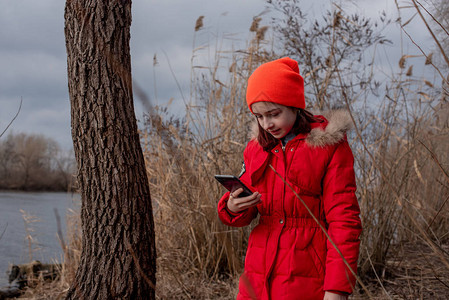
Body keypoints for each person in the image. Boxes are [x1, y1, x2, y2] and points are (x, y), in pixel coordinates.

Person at [217, 57, 362, 300]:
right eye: (259, 117)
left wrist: (336, 289)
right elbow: (248, 204)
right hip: (257, 274)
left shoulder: (328, 146)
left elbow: (344, 219)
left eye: (274, 114)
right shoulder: (257, 148)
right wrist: (233, 207)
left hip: (306, 274)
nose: (267, 124)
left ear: (294, 104)